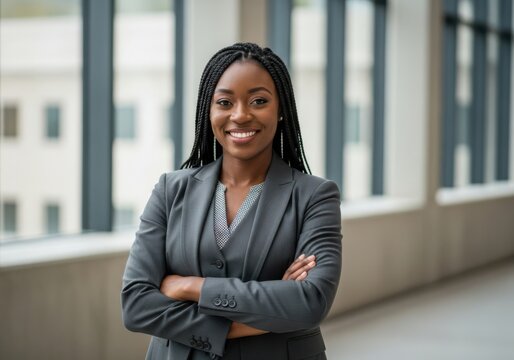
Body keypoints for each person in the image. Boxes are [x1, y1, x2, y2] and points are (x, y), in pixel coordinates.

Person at [121, 42, 342, 360]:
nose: (240, 115)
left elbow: (310, 302)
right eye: (225, 101)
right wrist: (269, 313)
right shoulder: (170, 190)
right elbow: (136, 306)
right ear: (208, 110)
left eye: (259, 101)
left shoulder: (315, 197)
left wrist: (190, 286)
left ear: (281, 110)